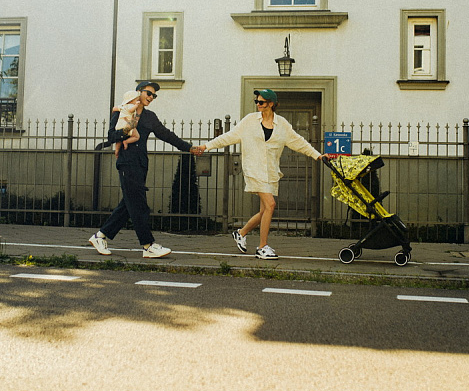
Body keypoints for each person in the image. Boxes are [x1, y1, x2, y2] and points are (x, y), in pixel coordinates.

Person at [192, 89, 327, 260]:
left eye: (261, 102)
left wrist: (318, 155)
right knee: (271, 204)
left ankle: (241, 233)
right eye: (256, 101)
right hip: (254, 169)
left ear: (271, 104)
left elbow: (299, 142)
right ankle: (262, 247)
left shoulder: (282, 124)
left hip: (271, 172)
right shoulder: (249, 121)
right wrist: (206, 146)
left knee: (264, 210)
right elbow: (229, 136)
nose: (258, 104)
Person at [89, 81, 196, 258]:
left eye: (154, 95)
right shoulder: (123, 111)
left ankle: (100, 236)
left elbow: (167, 135)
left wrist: (189, 148)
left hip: (140, 164)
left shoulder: (149, 117)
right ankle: (148, 245)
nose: (151, 97)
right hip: (126, 163)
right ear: (138, 92)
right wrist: (128, 129)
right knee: (139, 205)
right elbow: (111, 136)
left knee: (128, 205)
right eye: (149, 93)